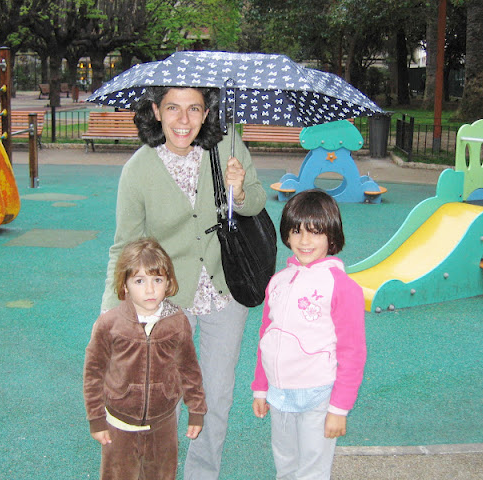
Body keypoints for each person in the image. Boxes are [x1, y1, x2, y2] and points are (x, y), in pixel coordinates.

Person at [100, 86, 267, 480]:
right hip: (168, 300)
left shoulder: (226, 145)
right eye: (173, 107)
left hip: (226, 289)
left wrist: (240, 191)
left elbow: (258, 201)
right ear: (156, 110)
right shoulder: (139, 169)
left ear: (207, 113)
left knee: (215, 396)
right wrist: (111, 311)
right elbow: (125, 246)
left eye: (194, 109)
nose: (183, 120)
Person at [251, 189, 367, 480]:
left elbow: (353, 353)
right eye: (296, 231)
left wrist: (339, 408)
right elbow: (266, 337)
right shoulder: (278, 282)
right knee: (285, 465)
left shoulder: (342, 286)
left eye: (315, 232)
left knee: (312, 471)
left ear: (332, 235)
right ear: (287, 235)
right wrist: (261, 388)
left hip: (318, 395)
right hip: (279, 393)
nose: (304, 241)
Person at [84, 237, 207, 480]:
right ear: (125, 285)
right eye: (139, 281)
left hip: (163, 425)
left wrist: (196, 409)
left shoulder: (177, 322)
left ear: (168, 282)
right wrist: (96, 418)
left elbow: (189, 369)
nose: (150, 290)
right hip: (119, 425)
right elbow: (93, 373)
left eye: (157, 280)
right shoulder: (110, 324)